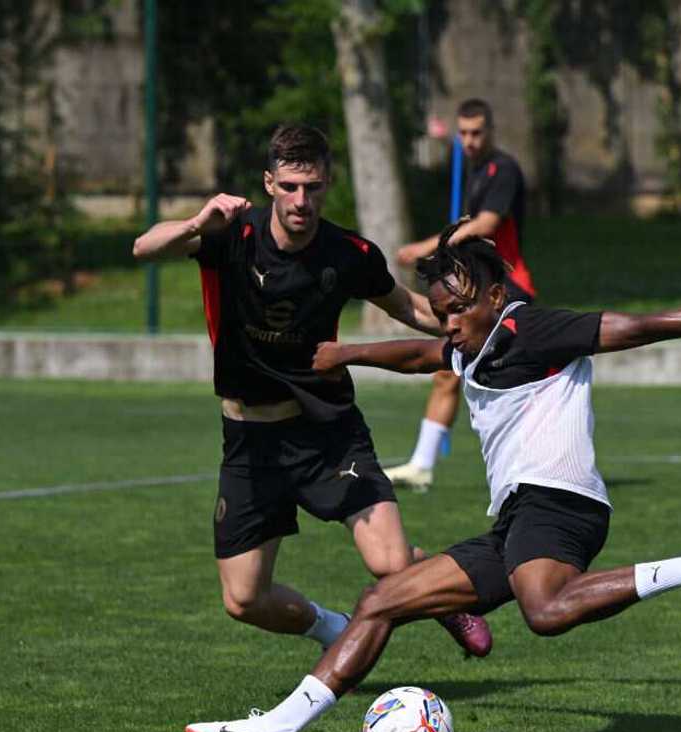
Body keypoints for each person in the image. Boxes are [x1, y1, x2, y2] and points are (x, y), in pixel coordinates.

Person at [183, 224, 681, 732]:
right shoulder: (470, 343)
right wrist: (347, 353)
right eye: (442, 313)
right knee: (382, 598)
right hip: (516, 518)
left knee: (544, 611)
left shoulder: (532, 329)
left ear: (496, 293)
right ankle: (276, 730)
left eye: (462, 307)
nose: (451, 322)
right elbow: (422, 357)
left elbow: (636, 326)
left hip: (563, 502)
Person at [131, 126, 492, 659]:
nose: (304, 200)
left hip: (326, 430)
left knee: (390, 564)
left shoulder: (347, 252)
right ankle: (332, 629)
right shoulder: (231, 234)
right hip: (249, 441)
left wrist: (469, 326)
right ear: (270, 183)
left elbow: (406, 306)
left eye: (315, 187)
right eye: (293, 186)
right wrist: (196, 223)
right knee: (244, 598)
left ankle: (447, 599)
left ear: (328, 184)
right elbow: (144, 248)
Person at [386, 98, 535, 492]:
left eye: (476, 133)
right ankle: (421, 464)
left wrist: (427, 248)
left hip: (507, 289)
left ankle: (529, 463)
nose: (469, 141)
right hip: (481, 291)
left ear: (490, 132)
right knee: (448, 370)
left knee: (508, 381)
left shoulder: (503, 170)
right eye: (463, 133)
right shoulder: (476, 173)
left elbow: (486, 224)